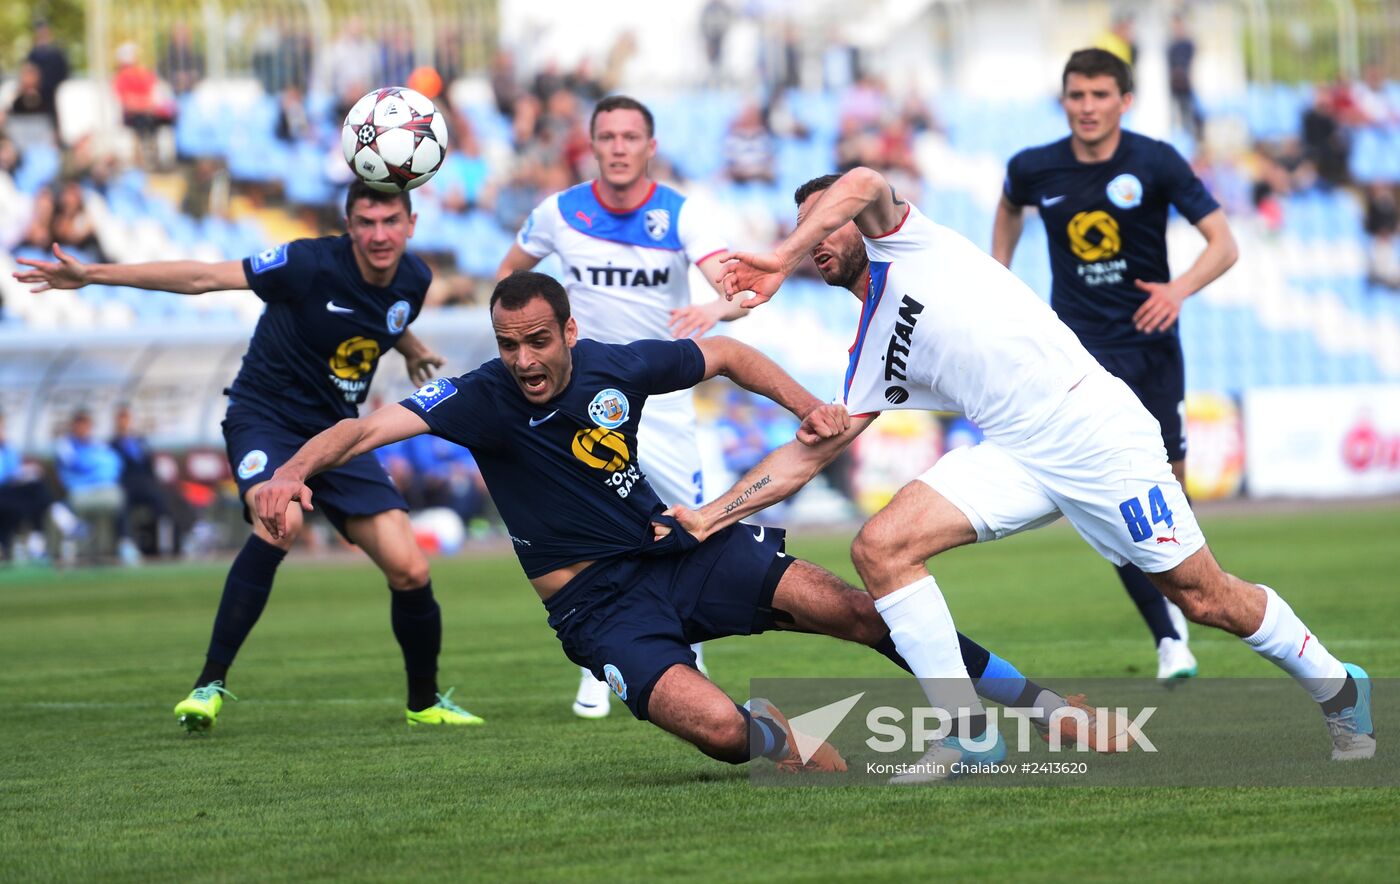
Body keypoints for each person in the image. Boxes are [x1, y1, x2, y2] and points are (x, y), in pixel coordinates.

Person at [253, 271, 1116, 774]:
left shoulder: (614, 367)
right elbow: (365, 427)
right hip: (598, 608)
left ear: (568, 331)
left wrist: (808, 404)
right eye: (508, 345)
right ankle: (779, 732)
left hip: (678, 548)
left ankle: (1039, 707)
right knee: (719, 735)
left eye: (537, 343)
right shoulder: (476, 399)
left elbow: (731, 354)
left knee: (865, 610)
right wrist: (292, 469)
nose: (523, 361)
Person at [697, 167, 1373, 769]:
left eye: (824, 221)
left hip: (1092, 430)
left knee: (1204, 599)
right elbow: (802, 460)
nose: (814, 236)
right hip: (1016, 451)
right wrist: (706, 517)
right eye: (801, 228)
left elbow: (866, 181)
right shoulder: (870, 351)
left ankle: (1338, 685)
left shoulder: (908, 240)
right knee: (881, 547)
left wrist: (778, 257)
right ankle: (968, 734)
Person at [13, 181, 482, 733]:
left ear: (411, 223)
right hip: (268, 420)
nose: (379, 235)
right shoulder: (306, 263)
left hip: (338, 436)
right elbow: (203, 278)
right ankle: (208, 684)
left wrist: (412, 346)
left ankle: (424, 703)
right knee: (279, 519)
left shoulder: (416, 280)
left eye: (390, 222)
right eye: (366, 222)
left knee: (410, 568)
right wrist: (92, 275)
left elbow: (380, 316)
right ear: (348, 225)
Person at [991, 48, 1239, 684]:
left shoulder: (1154, 160)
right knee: (1111, 498)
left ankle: (1183, 603)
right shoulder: (1033, 167)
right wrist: (999, 278)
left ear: (1124, 101)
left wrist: (1178, 290)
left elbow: (1224, 243)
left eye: (1100, 95)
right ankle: (1168, 638)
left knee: (1169, 498)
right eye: (1076, 95)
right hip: (1077, 359)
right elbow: (1009, 205)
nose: (1087, 107)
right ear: (1064, 99)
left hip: (1153, 351)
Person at [496, 95, 747, 719]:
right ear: (591, 143)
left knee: (682, 522)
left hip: (659, 396)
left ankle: (687, 651)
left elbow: (739, 293)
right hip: (580, 394)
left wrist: (713, 309)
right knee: (587, 526)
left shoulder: (681, 216)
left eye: (630, 136)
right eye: (606, 135)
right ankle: (601, 662)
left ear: (649, 147)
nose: (617, 147)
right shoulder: (559, 213)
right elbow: (509, 278)